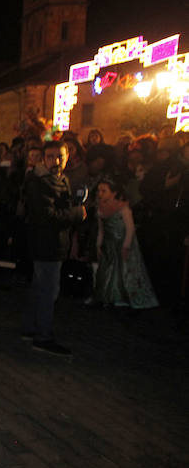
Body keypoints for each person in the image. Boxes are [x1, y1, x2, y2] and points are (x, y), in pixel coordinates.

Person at [22, 140, 87, 356]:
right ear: (43, 159)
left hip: (54, 243)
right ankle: (43, 336)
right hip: (46, 244)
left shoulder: (60, 179)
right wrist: (78, 213)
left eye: (60, 156)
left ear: (68, 156)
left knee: (41, 288)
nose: (56, 161)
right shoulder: (39, 182)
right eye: (51, 157)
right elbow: (47, 217)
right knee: (48, 291)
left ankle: (33, 329)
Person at [93, 179, 158, 309]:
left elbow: (130, 228)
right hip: (110, 244)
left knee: (124, 271)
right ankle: (108, 296)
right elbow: (101, 229)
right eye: (99, 190)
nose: (100, 194)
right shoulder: (100, 209)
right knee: (109, 272)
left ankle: (124, 296)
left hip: (122, 243)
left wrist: (126, 245)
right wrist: (98, 244)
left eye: (104, 191)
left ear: (113, 193)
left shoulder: (122, 207)